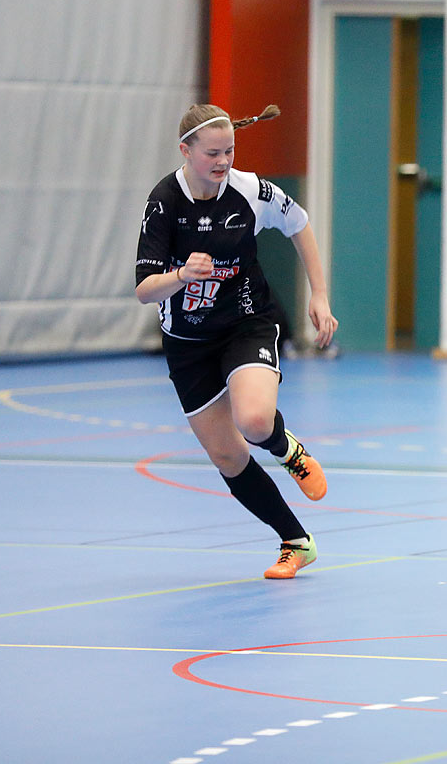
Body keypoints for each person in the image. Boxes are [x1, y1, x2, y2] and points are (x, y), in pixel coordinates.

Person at [135, 103, 338, 579]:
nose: (223, 161)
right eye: (212, 153)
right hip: (187, 341)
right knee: (227, 455)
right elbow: (144, 290)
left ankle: (287, 449)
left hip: (246, 323)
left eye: (229, 151)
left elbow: (300, 223)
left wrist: (320, 295)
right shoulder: (164, 202)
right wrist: (181, 275)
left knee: (252, 419)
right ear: (185, 151)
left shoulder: (249, 191)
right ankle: (295, 541)